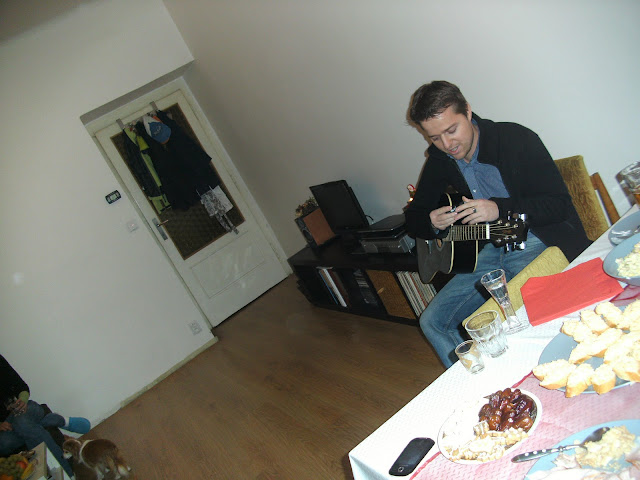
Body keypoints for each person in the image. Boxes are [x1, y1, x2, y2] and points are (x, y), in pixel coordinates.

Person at [404, 80, 591, 368]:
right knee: (433, 322)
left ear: (467, 111)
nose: (447, 145)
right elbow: (414, 218)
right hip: (494, 249)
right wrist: (430, 221)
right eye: (435, 138)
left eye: (451, 130)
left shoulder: (515, 138)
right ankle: (479, 385)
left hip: (539, 239)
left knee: (517, 316)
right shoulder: (441, 159)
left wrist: (498, 208)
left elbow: (559, 205)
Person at [0, 354, 91, 477]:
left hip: (25, 410)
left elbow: (22, 387)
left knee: (23, 423)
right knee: (4, 443)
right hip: (6, 427)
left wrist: (23, 400)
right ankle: (56, 420)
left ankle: (66, 475)